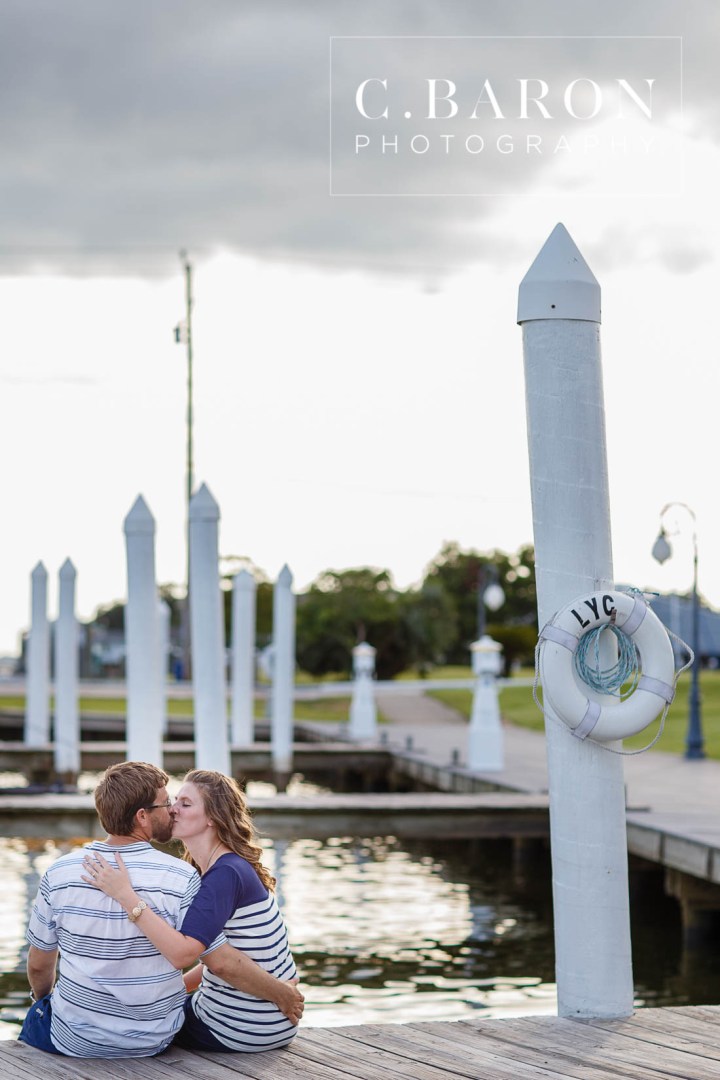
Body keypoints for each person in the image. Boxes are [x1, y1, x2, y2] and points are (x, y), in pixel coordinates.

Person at [19, 761, 302, 1058]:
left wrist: (282, 994)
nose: (173, 809)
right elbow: (216, 957)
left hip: (241, 1025)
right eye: (169, 802)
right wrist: (279, 991)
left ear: (212, 819)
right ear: (142, 816)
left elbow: (200, 957)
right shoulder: (192, 876)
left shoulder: (59, 872)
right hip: (185, 1033)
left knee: (38, 1019)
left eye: (183, 802)